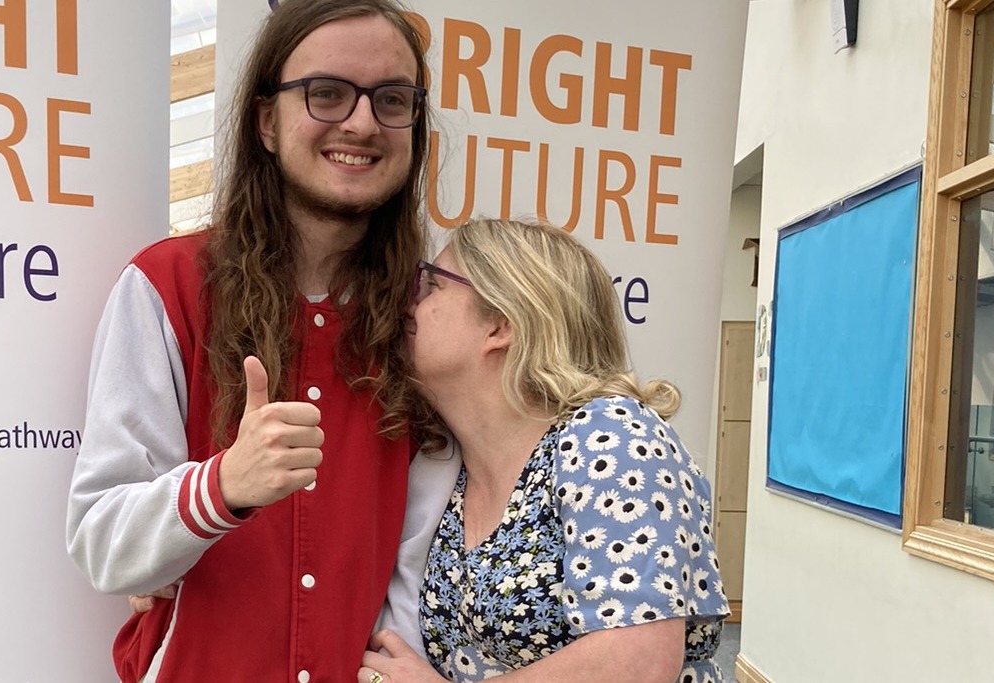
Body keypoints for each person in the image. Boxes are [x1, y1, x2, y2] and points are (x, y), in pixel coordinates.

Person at [65, 0, 434, 680]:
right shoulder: (166, 286)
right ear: (267, 120)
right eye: (326, 93)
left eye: (391, 99)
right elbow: (101, 539)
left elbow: (427, 546)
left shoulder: (429, 318)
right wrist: (222, 485)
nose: (360, 121)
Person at [359, 218, 730, 683]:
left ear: (500, 324)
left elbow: (636, 662)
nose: (409, 301)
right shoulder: (448, 467)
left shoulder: (612, 437)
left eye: (432, 284)